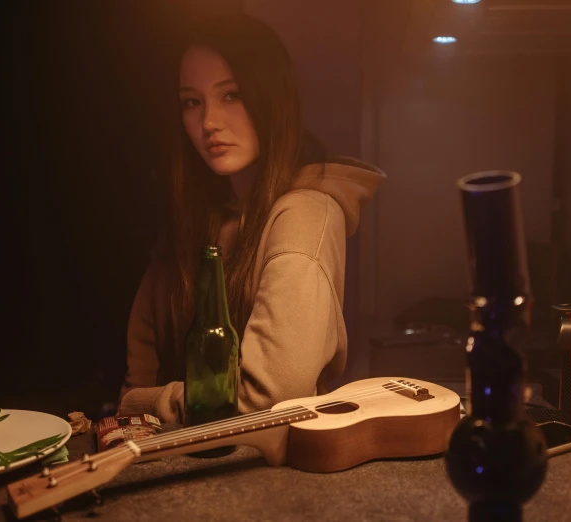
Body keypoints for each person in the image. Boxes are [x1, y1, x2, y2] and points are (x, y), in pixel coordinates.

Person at [117, 14, 385, 423]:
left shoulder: (304, 213)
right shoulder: (195, 219)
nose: (209, 122)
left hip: (263, 475)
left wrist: (150, 404)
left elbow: (270, 396)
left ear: (270, 99)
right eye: (192, 102)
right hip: (173, 465)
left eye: (232, 95)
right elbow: (140, 362)